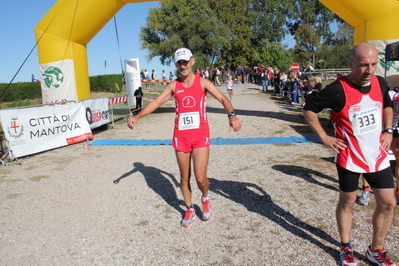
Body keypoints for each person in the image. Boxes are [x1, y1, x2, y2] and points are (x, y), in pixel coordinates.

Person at [303, 42, 397, 266]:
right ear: (351, 63)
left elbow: (387, 105)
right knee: (348, 200)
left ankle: (376, 249)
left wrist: (388, 130)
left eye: (374, 64)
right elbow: (308, 109)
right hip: (350, 156)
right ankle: (346, 246)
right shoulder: (337, 89)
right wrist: (324, 138)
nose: (370, 70)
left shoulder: (380, 82)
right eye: (364, 65)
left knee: (388, 203)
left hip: (377, 155)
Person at [127, 48, 242, 227]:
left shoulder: (202, 82)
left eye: (185, 62)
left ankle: (205, 198)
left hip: (200, 136)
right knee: (184, 177)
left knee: (200, 177)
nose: (183, 65)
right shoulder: (173, 86)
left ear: (192, 61)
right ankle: (189, 208)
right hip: (181, 137)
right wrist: (137, 117)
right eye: (180, 62)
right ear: (176, 64)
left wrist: (232, 115)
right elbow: (156, 102)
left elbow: (222, 99)